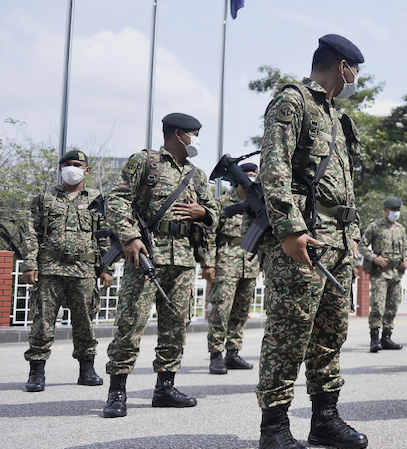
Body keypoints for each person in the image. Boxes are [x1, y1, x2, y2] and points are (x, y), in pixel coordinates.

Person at [254, 34, 368, 449]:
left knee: (330, 334)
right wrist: (288, 228)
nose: (356, 77)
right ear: (343, 66)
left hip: (338, 240)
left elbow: (347, 185)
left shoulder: (338, 117)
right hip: (304, 237)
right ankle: (273, 428)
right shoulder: (293, 101)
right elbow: (274, 169)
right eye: (355, 70)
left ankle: (324, 418)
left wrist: (353, 232)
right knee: (289, 332)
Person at [102, 115, 219, 417]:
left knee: (176, 326)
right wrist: (129, 237)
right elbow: (116, 199)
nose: (197, 140)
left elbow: (215, 214)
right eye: (194, 134)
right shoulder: (145, 162)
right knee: (130, 323)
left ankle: (165, 388)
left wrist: (203, 212)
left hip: (182, 259)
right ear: (178, 134)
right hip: (146, 255)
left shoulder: (196, 175)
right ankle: (117, 391)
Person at [21, 149, 113, 392]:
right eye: (67, 164)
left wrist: (107, 269)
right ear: (60, 168)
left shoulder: (97, 200)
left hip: (84, 271)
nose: (72, 168)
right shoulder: (45, 198)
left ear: (87, 170)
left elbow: (105, 237)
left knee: (85, 323)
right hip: (49, 270)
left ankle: (87, 369)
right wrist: (29, 264)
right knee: (42, 322)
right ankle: (36, 371)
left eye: (77, 164)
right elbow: (31, 233)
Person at [206, 162, 259, 375]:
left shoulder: (258, 203)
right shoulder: (222, 203)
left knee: (241, 310)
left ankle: (233, 353)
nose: (252, 179)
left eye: (255, 175)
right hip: (226, 261)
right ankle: (215, 355)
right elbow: (210, 235)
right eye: (249, 175)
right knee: (221, 309)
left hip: (251, 262)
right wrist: (209, 263)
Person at [360, 197, 407, 352]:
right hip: (380, 274)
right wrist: (374, 258)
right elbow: (362, 246)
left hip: (396, 274)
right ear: (385, 210)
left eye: (398, 210)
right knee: (377, 306)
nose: (396, 213)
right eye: (393, 210)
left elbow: (405, 249)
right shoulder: (375, 227)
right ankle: (374, 339)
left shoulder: (400, 229)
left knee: (392, 306)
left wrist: (406, 261)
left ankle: (386, 337)